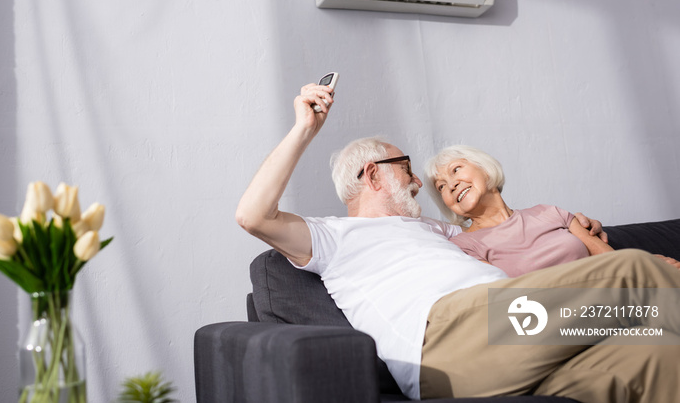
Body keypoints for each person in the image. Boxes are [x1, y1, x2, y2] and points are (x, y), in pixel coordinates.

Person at [236, 83, 680, 402]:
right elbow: (252, 215)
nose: (416, 183)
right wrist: (304, 130)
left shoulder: (438, 230)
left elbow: (505, 228)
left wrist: (574, 227)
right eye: (407, 169)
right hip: (450, 340)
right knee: (635, 271)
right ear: (373, 173)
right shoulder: (333, 237)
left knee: (656, 354)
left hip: (509, 334)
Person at [424, 145, 680, 277]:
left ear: (485, 168)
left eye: (456, 170)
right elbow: (501, 299)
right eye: (442, 187)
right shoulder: (463, 246)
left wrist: (648, 265)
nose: (452, 184)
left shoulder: (548, 212)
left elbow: (612, 260)